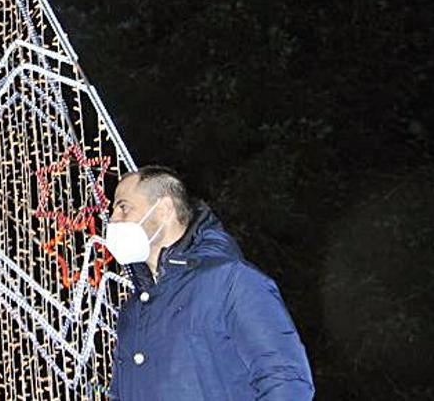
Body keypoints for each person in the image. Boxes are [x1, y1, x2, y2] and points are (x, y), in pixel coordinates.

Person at [104, 166, 314, 400]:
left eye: (123, 208)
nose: (113, 219)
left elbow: (285, 380)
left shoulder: (230, 280)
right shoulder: (133, 310)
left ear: (163, 209)